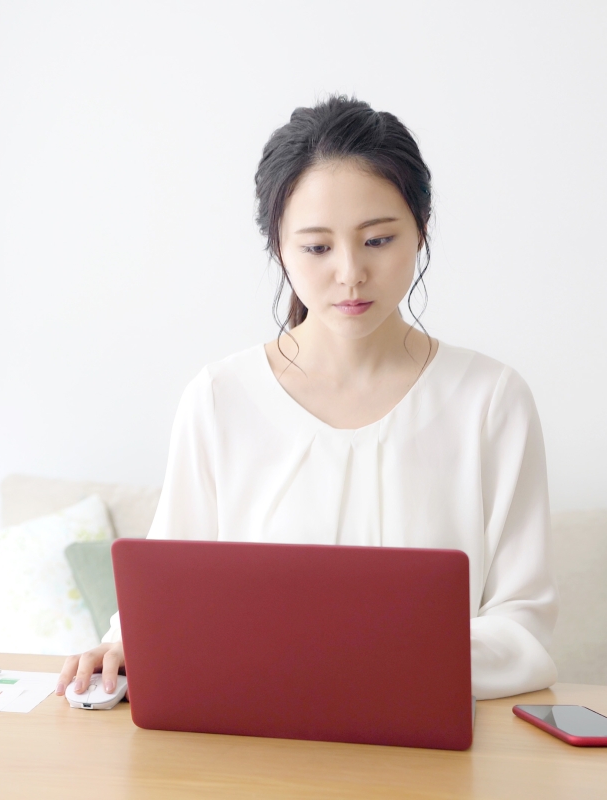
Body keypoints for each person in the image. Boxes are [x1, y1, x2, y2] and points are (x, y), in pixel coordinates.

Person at [56, 95, 559, 703]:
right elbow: (166, 598)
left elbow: (523, 629)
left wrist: (342, 664)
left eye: (377, 239)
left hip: (428, 752)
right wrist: (125, 645)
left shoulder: (491, 402)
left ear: (421, 231)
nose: (349, 273)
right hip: (255, 742)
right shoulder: (220, 398)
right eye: (317, 248)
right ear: (279, 247)